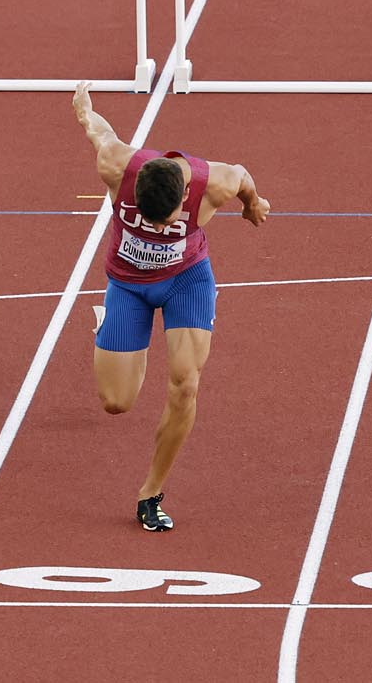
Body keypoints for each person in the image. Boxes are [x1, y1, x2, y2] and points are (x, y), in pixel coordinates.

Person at [73, 82, 270, 531]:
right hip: (127, 285)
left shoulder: (213, 183)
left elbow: (242, 175)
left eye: (164, 223)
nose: (154, 229)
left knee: (185, 385)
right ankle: (110, 326)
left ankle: (151, 493)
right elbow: (100, 133)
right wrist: (85, 110)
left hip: (186, 281)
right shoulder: (116, 166)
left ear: (185, 197)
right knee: (116, 403)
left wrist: (253, 205)